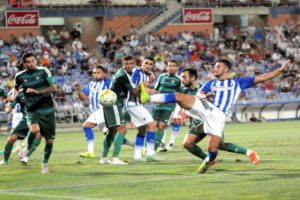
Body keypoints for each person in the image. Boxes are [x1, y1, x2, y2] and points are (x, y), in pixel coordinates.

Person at [140, 59, 290, 174]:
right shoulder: (210, 83)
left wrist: (280, 70)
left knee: (214, 148)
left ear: (226, 69)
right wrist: (205, 95)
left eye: (218, 66)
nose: (214, 68)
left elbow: (262, 77)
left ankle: (212, 159)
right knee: (179, 96)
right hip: (204, 106)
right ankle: (147, 98)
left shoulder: (237, 83)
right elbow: (199, 94)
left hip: (218, 115)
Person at [181, 68, 259, 171]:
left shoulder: (205, 88)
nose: (182, 80)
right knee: (187, 143)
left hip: (212, 120)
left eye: (184, 77)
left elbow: (212, 107)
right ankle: (208, 159)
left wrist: (204, 122)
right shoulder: (185, 90)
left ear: (193, 78)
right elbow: (191, 108)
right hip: (199, 122)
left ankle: (250, 153)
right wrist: (191, 121)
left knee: (220, 145)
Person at [9, 52, 57, 174]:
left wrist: (37, 91)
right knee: (34, 130)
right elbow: (16, 88)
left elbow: (53, 88)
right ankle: (28, 148)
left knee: (49, 141)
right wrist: (13, 99)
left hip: (47, 109)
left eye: (33, 61)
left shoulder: (44, 71)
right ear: (24, 64)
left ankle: (45, 163)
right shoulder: (19, 76)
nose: (32, 64)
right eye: (29, 62)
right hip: (32, 109)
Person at [100, 55, 139, 165]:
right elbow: (135, 91)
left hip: (109, 102)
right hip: (114, 103)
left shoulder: (122, 72)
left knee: (112, 132)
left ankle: (103, 158)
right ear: (123, 64)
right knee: (122, 129)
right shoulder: (123, 75)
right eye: (127, 64)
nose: (129, 65)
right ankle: (115, 159)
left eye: (131, 63)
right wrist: (141, 86)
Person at [126, 57, 161, 162]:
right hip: (133, 104)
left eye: (150, 64)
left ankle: (137, 156)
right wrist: (150, 90)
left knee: (142, 130)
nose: (148, 65)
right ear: (142, 63)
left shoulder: (146, 74)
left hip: (135, 104)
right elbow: (133, 87)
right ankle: (150, 153)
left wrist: (150, 73)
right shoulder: (136, 71)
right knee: (152, 124)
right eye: (146, 63)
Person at [74, 65, 110, 158]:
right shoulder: (91, 84)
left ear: (103, 74)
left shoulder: (109, 83)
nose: (96, 75)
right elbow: (83, 98)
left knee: (87, 126)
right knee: (108, 132)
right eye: (94, 73)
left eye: (98, 73)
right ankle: (135, 145)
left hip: (103, 110)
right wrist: (78, 88)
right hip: (95, 112)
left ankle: (91, 151)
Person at [146, 60, 182, 152]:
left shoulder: (178, 80)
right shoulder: (162, 77)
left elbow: (180, 95)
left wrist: (181, 108)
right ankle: (146, 146)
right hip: (158, 105)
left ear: (177, 68)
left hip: (169, 107)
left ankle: (155, 147)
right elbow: (156, 90)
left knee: (161, 126)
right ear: (167, 67)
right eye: (170, 66)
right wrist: (153, 100)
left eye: (174, 66)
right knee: (152, 125)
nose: (172, 67)